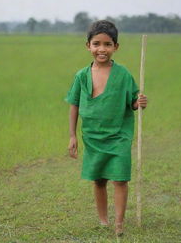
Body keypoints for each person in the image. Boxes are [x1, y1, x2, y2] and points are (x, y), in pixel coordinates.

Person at [65, 20, 147, 236]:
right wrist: (72, 135)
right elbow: (74, 104)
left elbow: (132, 102)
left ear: (115, 47)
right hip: (93, 136)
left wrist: (139, 103)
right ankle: (103, 220)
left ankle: (119, 223)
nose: (102, 49)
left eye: (107, 44)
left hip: (119, 135)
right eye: (96, 44)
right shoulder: (82, 76)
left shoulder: (123, 75)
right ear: (88, 46)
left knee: (120, 178)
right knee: (99, 179)